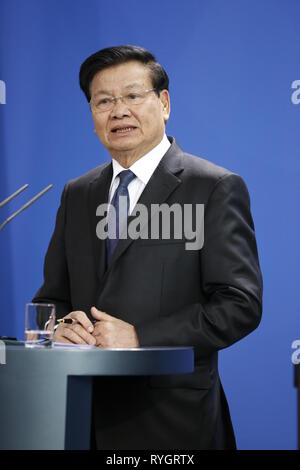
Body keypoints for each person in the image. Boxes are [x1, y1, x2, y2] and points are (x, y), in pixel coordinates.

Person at [33, 45, 263, 450]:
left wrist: (140, 336)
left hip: (172, 422)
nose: (118, 111)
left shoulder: (212, 187)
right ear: (92, 116)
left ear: (164, 103)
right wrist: (61, 328)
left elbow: (239, 304)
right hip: (78, 418)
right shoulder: (78, 194)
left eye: (133, 96)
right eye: (104, 101)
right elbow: (52, 298)